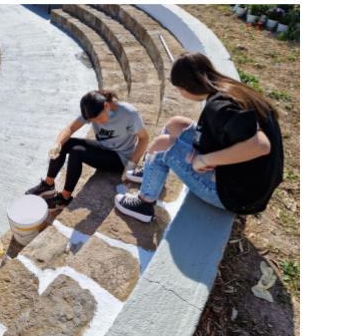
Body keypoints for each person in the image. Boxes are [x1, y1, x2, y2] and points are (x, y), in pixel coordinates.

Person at [114, 52, 284, 223]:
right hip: (247, 178)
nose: (180, 93)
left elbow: (261, 145)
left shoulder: (219, 107)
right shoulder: (230, 88)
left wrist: (205, 159)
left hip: (237, 196)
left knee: (163, 150)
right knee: (175, 124)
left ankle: (143, 204)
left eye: (179, 89)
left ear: (187, 86)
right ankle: (151, 173)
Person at [26, 90, 149, 210]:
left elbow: (144, 139)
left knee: (77, 152)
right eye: (93, 121)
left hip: (120, 158)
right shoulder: (92, 107)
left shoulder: (129, 114)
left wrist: (131, 166)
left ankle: (64, 198)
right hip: (103, 148)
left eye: (99, 119)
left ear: (106, 105)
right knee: (65, 143)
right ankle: (48, 185)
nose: (98, 123)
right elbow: (70, 128)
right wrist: (57, 144)